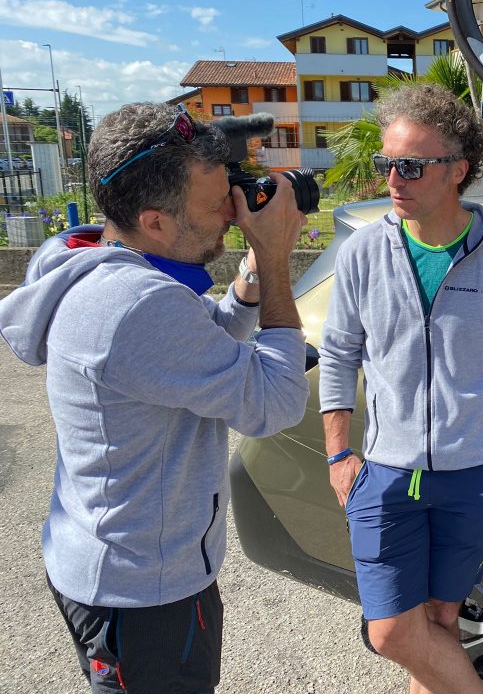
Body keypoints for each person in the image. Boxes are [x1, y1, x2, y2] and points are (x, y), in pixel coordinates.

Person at [0, 102, 310, 694]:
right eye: (217, 202)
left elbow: (196, 351)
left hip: (111, 563)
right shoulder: (138, 304)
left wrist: (245, 283)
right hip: (144, 593)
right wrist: (273, 260)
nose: (234, 211)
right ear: (156, 221)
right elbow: (275, 403)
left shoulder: (101, 265)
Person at [319, 83, 483, 693]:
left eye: (412, 166)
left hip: (474, 474)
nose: (394, 179)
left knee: (441, 622)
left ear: (458, 170)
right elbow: (340, 354)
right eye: (387, 164)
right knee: (392, 633)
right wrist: (340, 454)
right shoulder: (364, 252)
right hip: (384, 473)